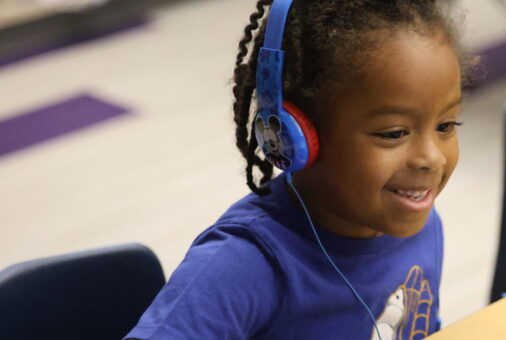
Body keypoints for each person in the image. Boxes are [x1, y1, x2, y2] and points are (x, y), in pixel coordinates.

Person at [125, 0, 468, 339]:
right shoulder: (247, 263)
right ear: (292, 137)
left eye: (446, 125)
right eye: (394, 133)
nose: (432, 158)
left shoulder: (422, 222)